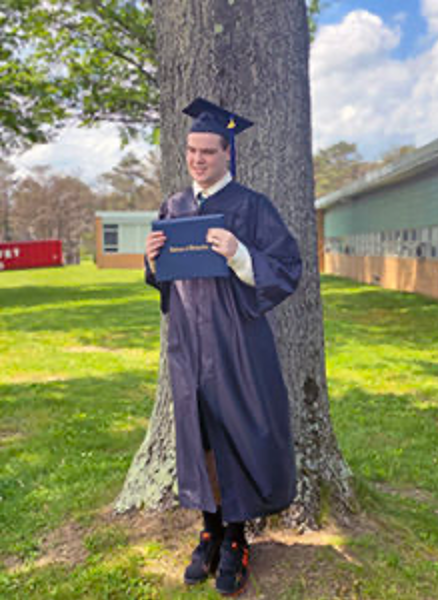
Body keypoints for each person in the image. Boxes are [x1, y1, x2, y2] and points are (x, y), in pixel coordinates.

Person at [145, 98, 301, 596]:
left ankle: (237, 538)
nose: (197, 160)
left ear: (227, 153)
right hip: (189, 342)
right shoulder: (174, 206)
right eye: (191, 151)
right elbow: (164, 280)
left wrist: (241, 254)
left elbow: (287, 268)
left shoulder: (252, 207)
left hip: (237, 341)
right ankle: (209, 529)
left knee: (238, 432)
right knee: (201, 435)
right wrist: (151, 262)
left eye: (207, 152)